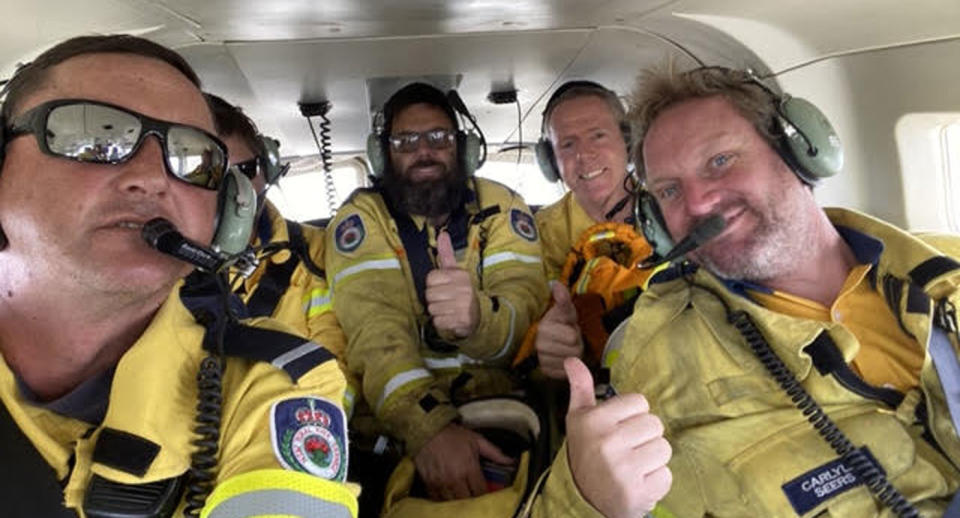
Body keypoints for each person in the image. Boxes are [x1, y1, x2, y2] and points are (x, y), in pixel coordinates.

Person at [0, 35, 356, 518]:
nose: (153, 176)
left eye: (192, 157)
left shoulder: (272, 381)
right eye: (93, 140)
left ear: (225, 213)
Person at [620, 63, 960, 516]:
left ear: (799, 151)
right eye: (669, 190)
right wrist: (587, 498)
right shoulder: (658, 355)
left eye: (720, 161)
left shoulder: (947, 266)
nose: (699, 202)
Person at [325, 82, 550, 503]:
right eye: (405, 141)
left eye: (439, 138)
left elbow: (525, 315)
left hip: (506, 411)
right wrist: (428, 430)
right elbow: (376, 337)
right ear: (383, 154)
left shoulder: (504, 206)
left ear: (462, 149)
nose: (423, 151)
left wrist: (476, 318)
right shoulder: (359, 220)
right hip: (403, 429)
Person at [207, 94, 356, 415]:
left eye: (245, 169)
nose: (235, 190)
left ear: (269, 168)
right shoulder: (160, 263)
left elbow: (337, 364)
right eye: (215, 173)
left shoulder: (317, 251)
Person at [520, 81, 654, 379]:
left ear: (628, 142)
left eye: (598, 135)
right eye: (567, 144)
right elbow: (530, 332)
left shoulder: (671, 209)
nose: (585, 154)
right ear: (551, 161)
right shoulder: (540, 235)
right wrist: (553, 349)